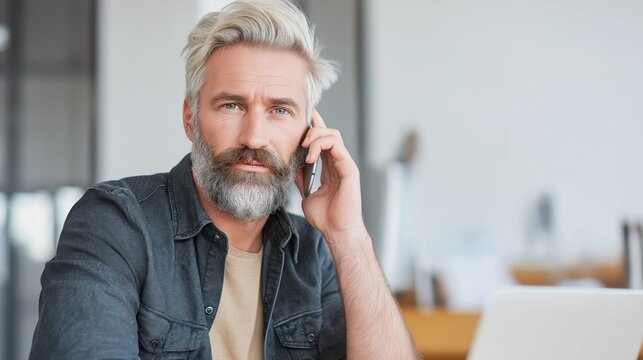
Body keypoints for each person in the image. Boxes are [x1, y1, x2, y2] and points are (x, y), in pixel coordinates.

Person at [29, 0, 417, 359]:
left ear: (308, 132)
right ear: (190, 119)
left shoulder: (315, 255)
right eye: (232, 105)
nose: (254, 137)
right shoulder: (114, 225)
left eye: (280, 111)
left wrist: (349, 235)